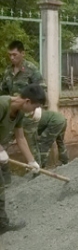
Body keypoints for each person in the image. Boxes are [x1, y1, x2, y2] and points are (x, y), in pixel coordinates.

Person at [0, 84, 44, 234]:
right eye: (34, 107)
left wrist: (31, 161)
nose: (33, 111)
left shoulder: (19, 113)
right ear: (27, 102)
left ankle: (2, 224)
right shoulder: (2, 104)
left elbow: (20, 137)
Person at [0, 41, 46, 181]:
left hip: (26, 114)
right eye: (10, 55)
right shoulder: (8, 72)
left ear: (22, 53)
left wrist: (37, 109)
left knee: (31, 143)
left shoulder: (31, 69)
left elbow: (41, 90)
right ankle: (6, 181)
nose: (12, 58)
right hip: (8, 112)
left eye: (15, 54)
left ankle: (36, 176)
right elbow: (3, 91)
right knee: (3, 148)